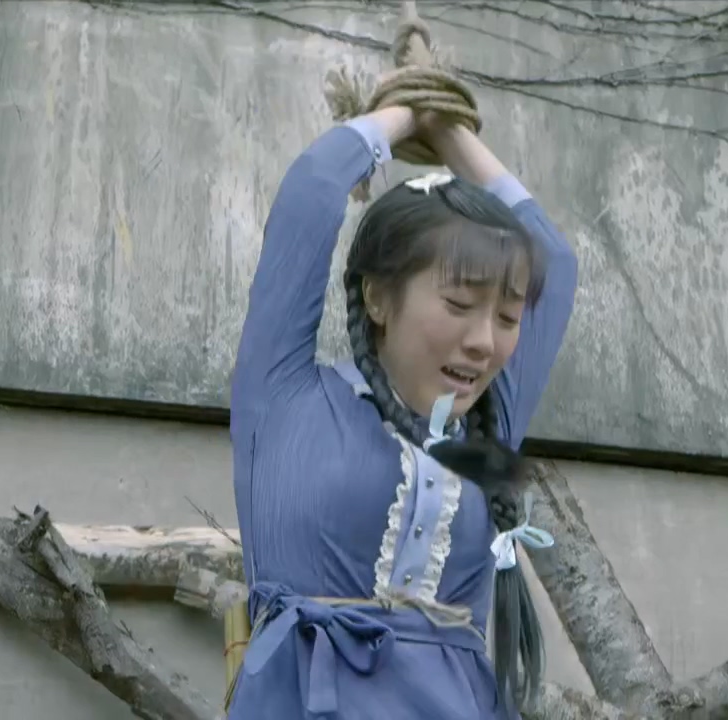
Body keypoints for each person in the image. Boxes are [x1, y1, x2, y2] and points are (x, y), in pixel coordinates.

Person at [227, 103, 578, 719]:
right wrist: (404, 112)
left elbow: (555, 259)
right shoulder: (285, 397)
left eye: (505, 316)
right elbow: (312, 190)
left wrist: (449, 130)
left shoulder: (488, 427)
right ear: (378, 297)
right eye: (459, 304)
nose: (484, 342)